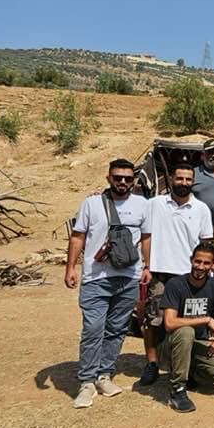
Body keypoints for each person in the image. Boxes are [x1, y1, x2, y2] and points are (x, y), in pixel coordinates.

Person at [65, 158, 150, 409]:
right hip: (96, 278)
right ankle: (87, 381)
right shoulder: (91, 204)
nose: (122, 182)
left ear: (134, 180)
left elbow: (146, 237)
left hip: (128, 277)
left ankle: (104, 374)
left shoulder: (142, 204)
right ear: (108, 178)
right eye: (117, 177)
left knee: (117, 328)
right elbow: (78, 236)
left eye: (127, 178)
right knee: (93, 329)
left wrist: (147, 266)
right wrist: (70, 267)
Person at [138, 161, 213, 386]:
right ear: (170, 179)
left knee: (186, 323)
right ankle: (152, 363)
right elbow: (145, 235)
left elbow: (206, 242)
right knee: (154, 320)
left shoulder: (201, 209)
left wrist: (206, 271)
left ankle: (184, 368)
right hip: (159, 273)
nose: (184, 183)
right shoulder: (154, 204)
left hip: (188, 275)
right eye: (179, 178)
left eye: (188, 179)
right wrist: (147, 266)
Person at [158, 243, 214, 413]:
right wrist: (206, 319)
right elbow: (169, 323)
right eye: (197, 261)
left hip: (198, 342)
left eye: (206, 263)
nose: (200, 267)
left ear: (212, 264)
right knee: (186, 331)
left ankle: (190, 371)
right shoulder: (175, 284)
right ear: (191, 260)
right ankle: (178, 388)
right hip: (171, 345)